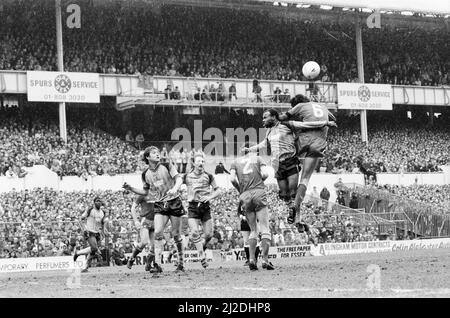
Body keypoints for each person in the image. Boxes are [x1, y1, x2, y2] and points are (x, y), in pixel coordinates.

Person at [246, 109, 334, 232]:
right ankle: (293, 214)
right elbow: (263, 144)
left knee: (293, 193)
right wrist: (250, 149)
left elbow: (305, 125)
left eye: (265, 117)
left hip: (290, 161)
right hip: (277, 165)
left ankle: (297, 219)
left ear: (274, 117)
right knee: (284, 194)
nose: (263, 120)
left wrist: (325, 123)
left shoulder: (287, 125)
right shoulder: (269, 132)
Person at [123, 146, 185, 274]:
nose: (157, 154)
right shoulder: (145, 174)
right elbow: (145, 191)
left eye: (158, 152)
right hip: (160, 203)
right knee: (157, 232)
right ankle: (157, 263)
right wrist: (131, 188)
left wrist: (175, 188)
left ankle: (181, 263)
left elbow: (179, 178)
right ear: (147, 157)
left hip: (174, 201)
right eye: (154, 153)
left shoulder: (167, 165)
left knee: (176, 234)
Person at [278, 94, 337, 229]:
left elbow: (283, 118)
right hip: (319, 142)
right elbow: (333, 118)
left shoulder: (299, 106)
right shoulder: (323, 107)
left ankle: (290, 199)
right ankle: (296, 208)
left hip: (303, 139)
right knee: (305, 178)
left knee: (288, 164)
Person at [229, 147, 273, 271]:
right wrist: (259, 181)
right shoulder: (258, 158)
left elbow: (232, 179)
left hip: (245, 194)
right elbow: (265, 174)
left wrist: (240, 189)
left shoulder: (235, 162)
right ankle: (265, 260)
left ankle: (252, 259)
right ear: (251, 151)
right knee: (264, 228)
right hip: (258, 191)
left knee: (253, 230)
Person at [182, 155, 221, 268]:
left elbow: (218, 191)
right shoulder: (187, 176)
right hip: (193, 207)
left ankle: (202, 246)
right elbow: (177, 182)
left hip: (205, 207)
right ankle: (201, 257)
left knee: (209, 235)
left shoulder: (209, 176)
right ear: (194, 163)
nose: (201, 163)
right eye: (199, 161)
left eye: (203, 161)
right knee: (194, 232)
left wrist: (210, 197)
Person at [73, 197, 110, 273]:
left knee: (93, 250)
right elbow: (81, 219)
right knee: (94, 248)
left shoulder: (102, 212)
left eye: (100, 201)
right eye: (97, 201)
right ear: (94, 202)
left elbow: (102, 223)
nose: (98, 203)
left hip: (97, 232)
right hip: (89, 231)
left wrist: (104, 230)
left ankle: (82, 262)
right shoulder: (90, 210)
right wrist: (84, 228)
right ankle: (91, 257)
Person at [126, 193, 156, 273]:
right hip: (145, 220)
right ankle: (132, 258)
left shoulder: (158, 192)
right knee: (144, 242)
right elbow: (133, 208)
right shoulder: (142, 194)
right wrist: (136, 221)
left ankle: (148, 264)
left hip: (155, 221)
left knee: (154, 246)